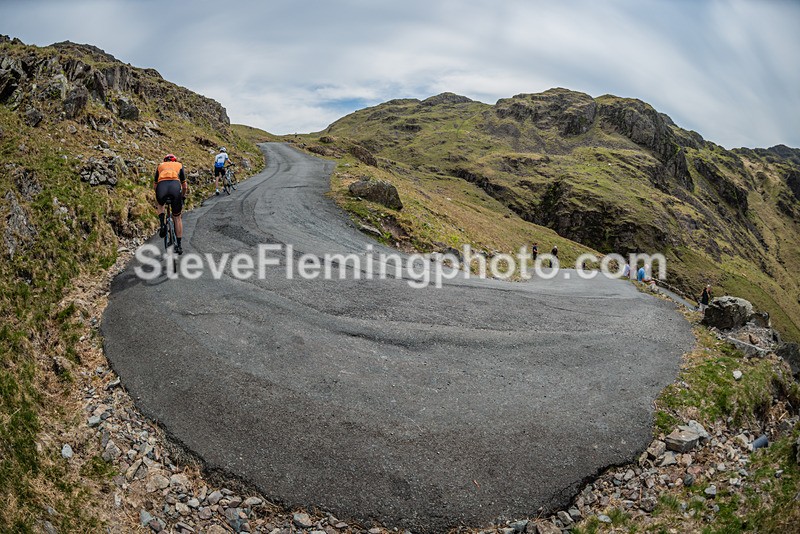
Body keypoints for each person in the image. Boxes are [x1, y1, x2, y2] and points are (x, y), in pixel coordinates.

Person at [155, 154, 188, 254]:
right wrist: (182, 196)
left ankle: (162, 223)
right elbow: (185, 186)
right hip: (175, 187)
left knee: (160, 203)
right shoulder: (179, 165)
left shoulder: (160, 166)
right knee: (177, 218)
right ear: (174, 160)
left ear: (165, 161)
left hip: (162, 187)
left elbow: (155, 187)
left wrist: (159, 196)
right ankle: (179, 245)